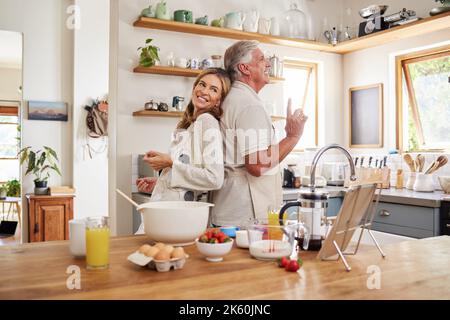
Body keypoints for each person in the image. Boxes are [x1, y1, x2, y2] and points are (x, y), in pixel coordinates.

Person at [210, 40, 308, 227]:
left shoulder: (234, 99)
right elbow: (257, 165)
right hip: (245, 216)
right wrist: (292, 137)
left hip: (230, 211)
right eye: (262, 59)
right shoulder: (249, 105)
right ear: (245, 68)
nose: (269, 64)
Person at [135, 68, 231, 233]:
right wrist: (162, 181)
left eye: (213, 89)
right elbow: (189, 172)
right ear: (194, 87)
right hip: (167, 212)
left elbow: (214, 178)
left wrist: (170, 163)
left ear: (218, 101)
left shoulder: (207, 121)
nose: (204, 91)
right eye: (202, 84)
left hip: (177, 218)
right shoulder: (188, 125)